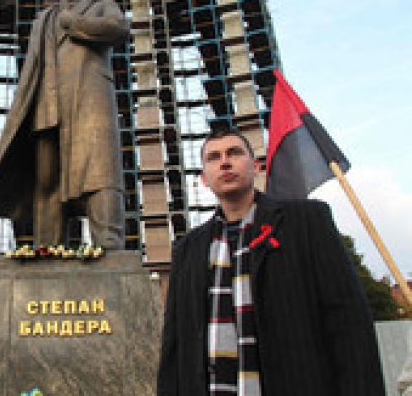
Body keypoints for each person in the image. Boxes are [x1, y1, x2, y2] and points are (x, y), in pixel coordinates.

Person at [156, 129, 385, 396]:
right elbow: (175, 346)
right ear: (204, 178)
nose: (225, 162)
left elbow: (349, 324)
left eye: (234, 153)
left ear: (256, 167)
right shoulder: (188, 249)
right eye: (214, 157)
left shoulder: (307, 223)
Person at [0, 0, 130, 249]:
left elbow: (118, 28)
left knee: (100, 168)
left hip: (90, 96)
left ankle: (108, 239)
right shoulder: (43, 19)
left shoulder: (102, 6)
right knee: (46, 178)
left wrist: (74, 24)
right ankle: (47, 246)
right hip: (48, 101)